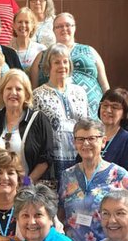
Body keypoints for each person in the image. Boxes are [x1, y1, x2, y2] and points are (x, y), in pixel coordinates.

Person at [58, 118, 128, 241]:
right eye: (80, 139)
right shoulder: (67, 175)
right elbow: (61, 213)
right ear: (74, 143)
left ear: (103, 141)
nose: (86, 143)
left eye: (91, 138)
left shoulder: (119, 175)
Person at [30, 12, 109, 118]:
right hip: (55, 119)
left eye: (68, 25)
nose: (64, 28)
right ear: (53, 30)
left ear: (74, 27)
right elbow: (33, 90)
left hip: (93, 118)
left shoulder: (89, 51)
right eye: (59, 26)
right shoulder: (42, 56)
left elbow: (105, 86)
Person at [0, 69, 54, 183]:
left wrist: (25, 183)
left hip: (29, 191)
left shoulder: (38, 120)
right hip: (0, 188)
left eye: (19, 89)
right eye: (9, 88)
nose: (13, 93)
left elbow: (46, 158)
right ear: (2, 93)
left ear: (26, 94)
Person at [31, 43, 89, 180]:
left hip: (79, 157)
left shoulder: (80, 92)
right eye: (57, 62)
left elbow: (87, 124)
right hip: (51, 162)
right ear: (48, 67)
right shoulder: (37, 95)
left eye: (65, 62)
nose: (62, 66)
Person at [95, 88, 128, 190]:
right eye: (105, 105)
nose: (108, 110)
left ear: (124, 113)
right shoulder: (91, 137)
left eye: (115, 107)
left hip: (117, 199)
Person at [10, 7, 46, 72]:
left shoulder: (41, 50)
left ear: (32, 26)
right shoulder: (7, 51)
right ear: (14, 25)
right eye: (20, 22)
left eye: (27, 22)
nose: (23, 25)